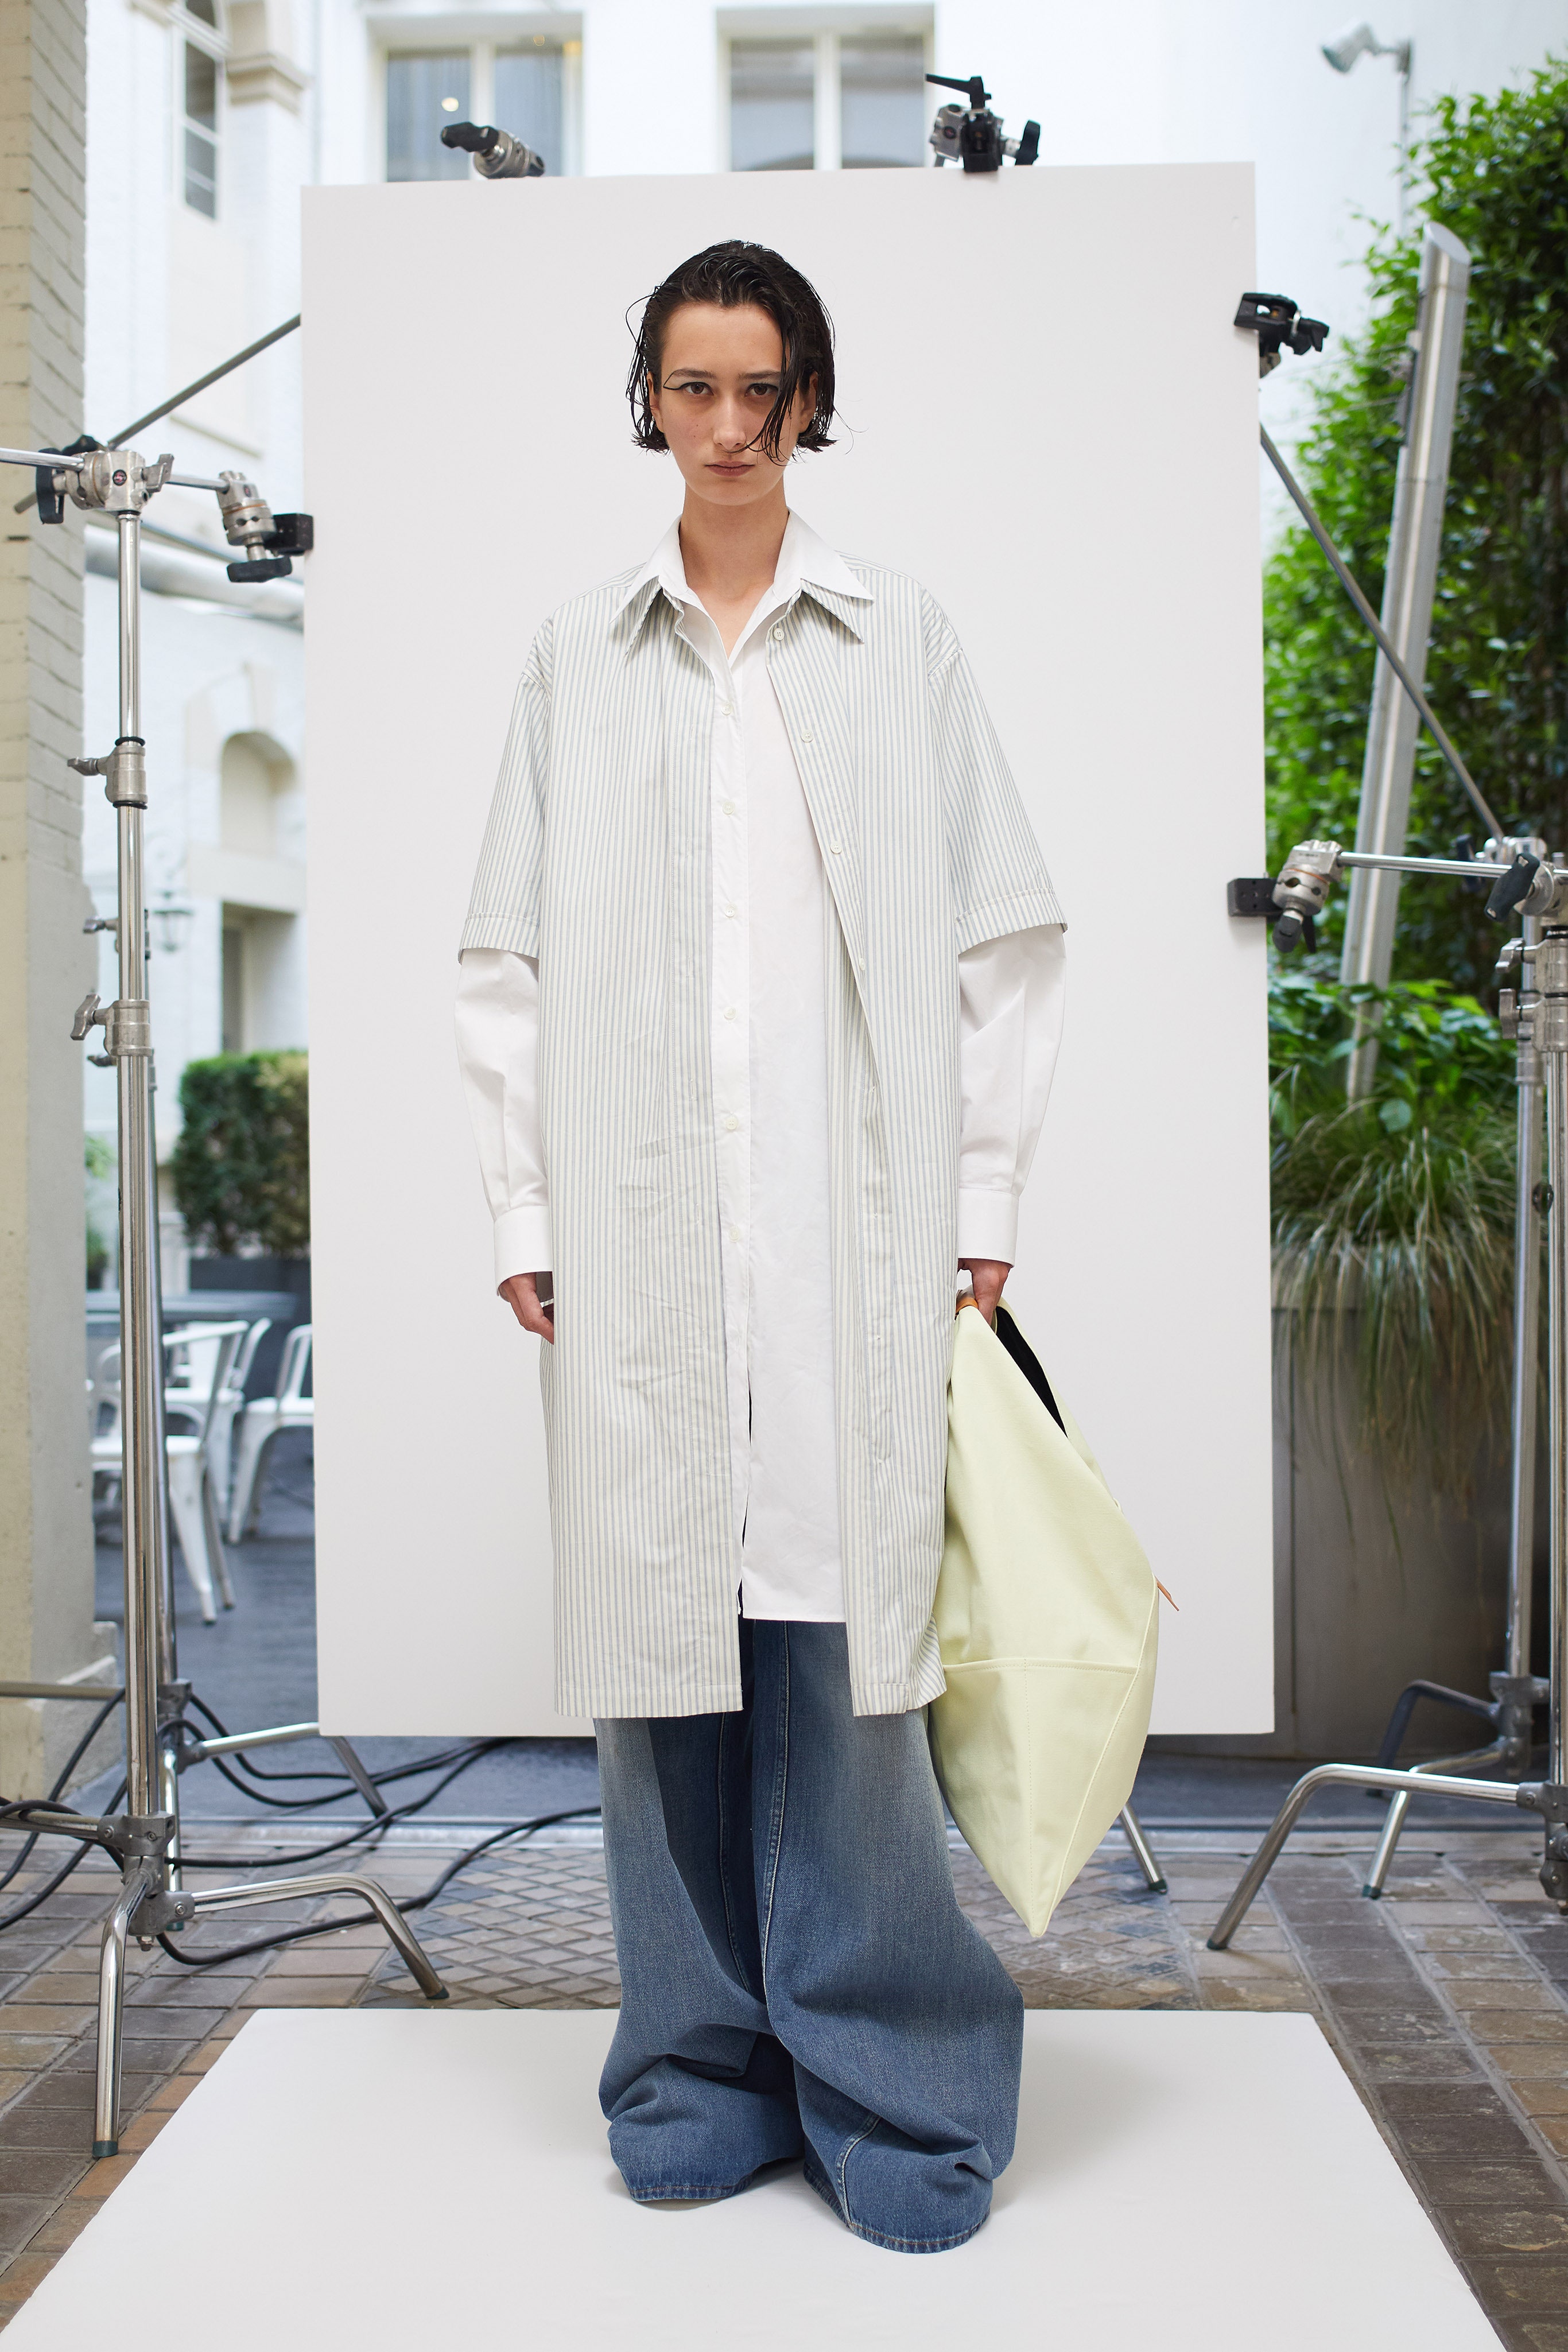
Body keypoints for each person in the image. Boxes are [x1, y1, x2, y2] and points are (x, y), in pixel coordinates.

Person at [456, 240, 1065, 2254]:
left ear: (809, 399)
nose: (726, 427)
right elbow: (504, 959)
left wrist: (979, 1201)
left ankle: (895, 2081)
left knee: (851, 1666)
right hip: (640, 1236)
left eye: (761, 388)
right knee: (663, 1679)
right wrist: (526, 1207)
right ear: (648, 398)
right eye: (692, 386)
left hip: (849, 1232)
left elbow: (1002, 938)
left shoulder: (901, 641)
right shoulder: (576, 653)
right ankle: (694, 2069)